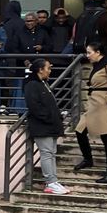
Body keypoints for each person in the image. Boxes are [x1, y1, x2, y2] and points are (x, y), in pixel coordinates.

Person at [23, 59, 69, 194]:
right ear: (40, 70)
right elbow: (34, 106)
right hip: (42, 125)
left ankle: (53, 180)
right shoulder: (32, 85)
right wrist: (49, 118)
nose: (50, 71)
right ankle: (50, 182)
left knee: (51, 153)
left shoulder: (43, 84)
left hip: (50, 125)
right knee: (47, 153)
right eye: (48, 68)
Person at [73, 43, 107, 184]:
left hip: (103, 104)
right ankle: (88, 159)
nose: (87, 55)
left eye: (90, 52)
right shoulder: (98, 64)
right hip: (94, 104)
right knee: (80, 130)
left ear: (98, 52)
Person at [8, 13, 53, 113]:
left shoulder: (43, 32)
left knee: (38, 87)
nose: (28, 23)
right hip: (22, 65)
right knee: (22, 87)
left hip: (39, 66)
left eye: (31, 21)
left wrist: (42, 48)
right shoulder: (19, 33)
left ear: (36, 21)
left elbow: (50, 46)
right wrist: (24, 59)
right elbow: (14, 48)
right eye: (27, 21)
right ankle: (20, 110)